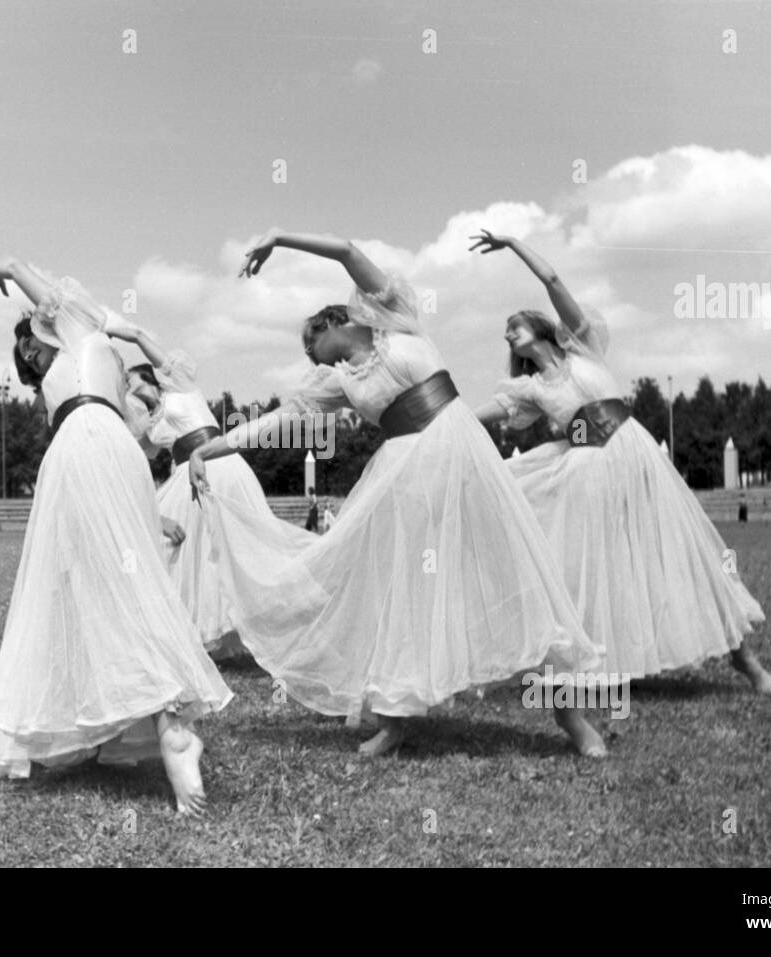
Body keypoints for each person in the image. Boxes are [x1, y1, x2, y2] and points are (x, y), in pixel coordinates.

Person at [189, 230, 607, 758]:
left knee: (512, 574)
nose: (308, 356)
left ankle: (574, 723)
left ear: (332, 324)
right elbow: (276, 422)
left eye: (308, 343)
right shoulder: (338, 380)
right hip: (403, 474)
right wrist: (208, 450)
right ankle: (394, 716)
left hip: (461, 456)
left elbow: (346, 252)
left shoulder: (396, 319)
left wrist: (279, 239)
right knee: (397, 585)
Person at [0, 257, 232, 816]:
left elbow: (37, 282)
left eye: (35, 330)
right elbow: (123, 337)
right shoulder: (100, 360)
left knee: (74, 587)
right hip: (114, 457)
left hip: (80, 450)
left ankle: (160, 725)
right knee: (110, 587)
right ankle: (145, 724)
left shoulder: (79, 338)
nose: (36, 332)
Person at [469, 232, 771, 694]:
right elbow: (481, 414)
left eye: (515, 325)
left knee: (681, 553)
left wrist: (513, 244)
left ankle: (748, 663)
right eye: (506, 332)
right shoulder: (529, 390)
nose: (508, 333)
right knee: (592, 566)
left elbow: (552, 278)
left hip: (636, 455)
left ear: (539, 326)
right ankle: (586, 664)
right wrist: (445, 427)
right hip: (586, 471)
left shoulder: (583, 347)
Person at [112, 326, 275, 658]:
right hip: (185, 476)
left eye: (129, 382)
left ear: (148, 378)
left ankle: (264, 621)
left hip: (220, 463)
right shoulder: (148, 426)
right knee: (181, 551)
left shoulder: (181, 388)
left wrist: (124, 333)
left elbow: (147, 342)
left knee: (233, 546)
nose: (127, 389)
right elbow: (130, 454)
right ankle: (184, 634)